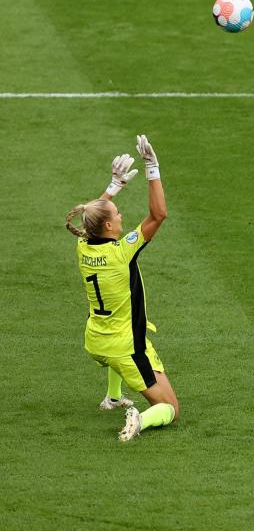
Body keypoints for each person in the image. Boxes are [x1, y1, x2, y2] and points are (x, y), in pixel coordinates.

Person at [65, 135, 180, 440]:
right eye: (116, 215)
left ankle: (113, 397)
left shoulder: (83, 246)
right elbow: (159, 215)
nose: (120, 216)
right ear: (107, 227)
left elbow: (91, 217)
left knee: (119, 335)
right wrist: (152, 168)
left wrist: (114, 187)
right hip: (125, 347)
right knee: (171, 408)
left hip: (95, 338)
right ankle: (139, 420)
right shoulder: (121, 251)